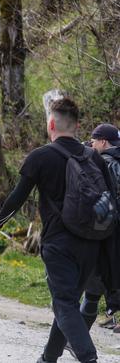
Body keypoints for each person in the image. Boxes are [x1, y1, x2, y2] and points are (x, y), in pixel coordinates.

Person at [0, 98, 116, 363]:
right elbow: (111, 199)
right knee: (67, 302)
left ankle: (89, 359)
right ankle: (48, 358)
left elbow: (17, 197)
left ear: (51, 124)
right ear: (77, 125)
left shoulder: (41, 156)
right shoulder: (93, 156)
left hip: (59, 244)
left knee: (64, 304)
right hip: (91, 243)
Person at [87, 123, 120, 333]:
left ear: (103, 142)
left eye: (93, 141)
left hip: (112, 226)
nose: (91, 144)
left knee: (106, 270)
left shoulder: (106, 163)